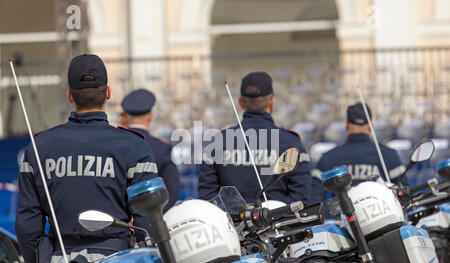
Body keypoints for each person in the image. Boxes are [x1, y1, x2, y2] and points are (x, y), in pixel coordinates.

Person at [15, 54, 158, 263]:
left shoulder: (39, 147)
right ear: (109, 93)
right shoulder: (133, 147)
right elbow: (148, 218)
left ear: (70, 96)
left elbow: (28, 223)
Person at [198, 71, 312, 205]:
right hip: (280, 224)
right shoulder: (291, 142)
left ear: (240, 103)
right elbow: (301, 198)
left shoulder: (218, 142)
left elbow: (207, 199)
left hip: (232, 224)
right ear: (272, 101)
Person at [311, 102, 408, 217]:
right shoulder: (388, 155)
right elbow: (405, 195)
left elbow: (315, 200)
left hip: (341, 227)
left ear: (346, 126)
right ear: (371, 126)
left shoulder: (328, 157)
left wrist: (333, 217)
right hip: (381, 226)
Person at [120, 89, 180, 212]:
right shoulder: (162, 148)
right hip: (151, 222)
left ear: (125, 116)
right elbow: (172, 193)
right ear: (150, 116)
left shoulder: (114, 144)